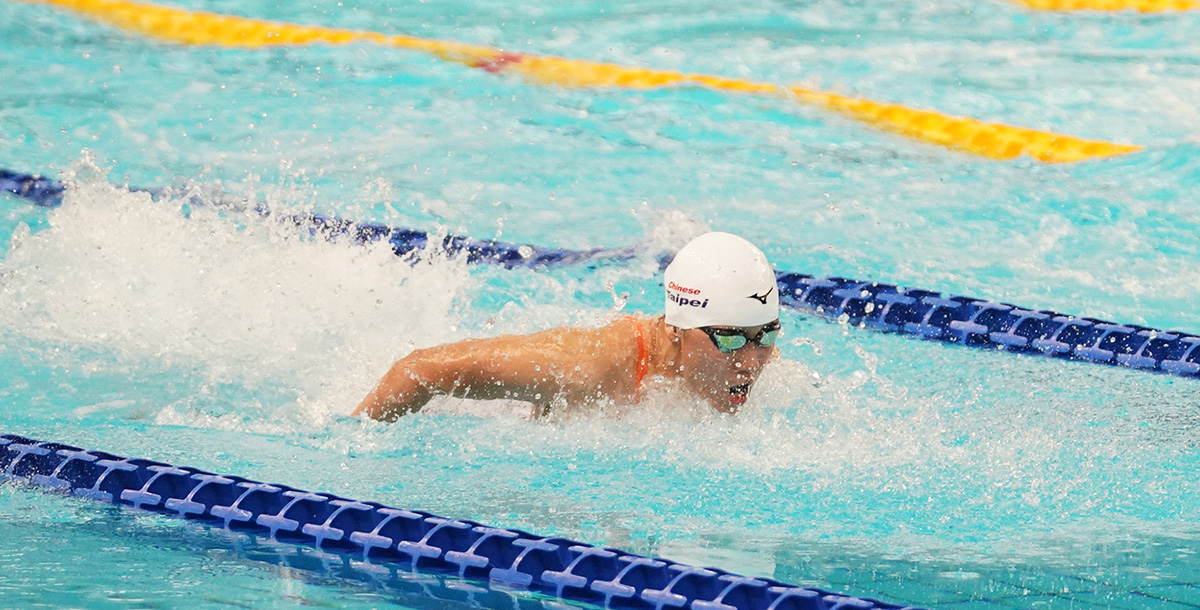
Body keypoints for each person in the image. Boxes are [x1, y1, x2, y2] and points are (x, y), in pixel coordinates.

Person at [354, 231, 782, 421]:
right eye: (728, 339)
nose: (751, 362)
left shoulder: (750, 356)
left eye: (765, 336)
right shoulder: (591, 368)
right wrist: (353, 451)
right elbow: (419, 370)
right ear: (676, 328)